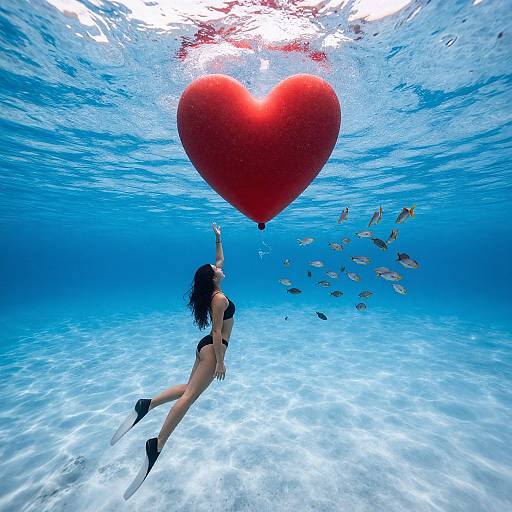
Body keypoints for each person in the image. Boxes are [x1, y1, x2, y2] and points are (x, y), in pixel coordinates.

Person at [111, 222, 236, 500]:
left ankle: (147, 404)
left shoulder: (212, 290)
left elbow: (220, 260)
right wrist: (220, 362)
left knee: (188, 387)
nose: (220, 268)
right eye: (217, 270)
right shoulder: (220, 299)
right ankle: (157, 444)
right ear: (214, 278)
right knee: (190, 397)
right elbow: (217, 332)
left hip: (204, 348)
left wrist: (218, 238)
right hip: (214, 348)